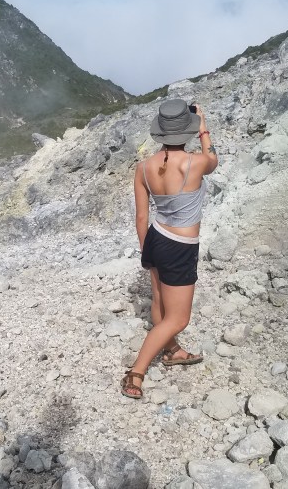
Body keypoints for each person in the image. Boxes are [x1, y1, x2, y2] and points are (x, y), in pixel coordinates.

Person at [121, 98, 219, 399]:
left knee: (161, 302)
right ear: (186, 131)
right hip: (180, 245)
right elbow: (213, 159)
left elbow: (141, 216)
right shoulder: (196, 163)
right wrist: (203, 127)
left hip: (155, 237)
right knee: (179, 319)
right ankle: (136, 373)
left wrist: (146, 252)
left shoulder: (143, 168)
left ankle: (172, 349)